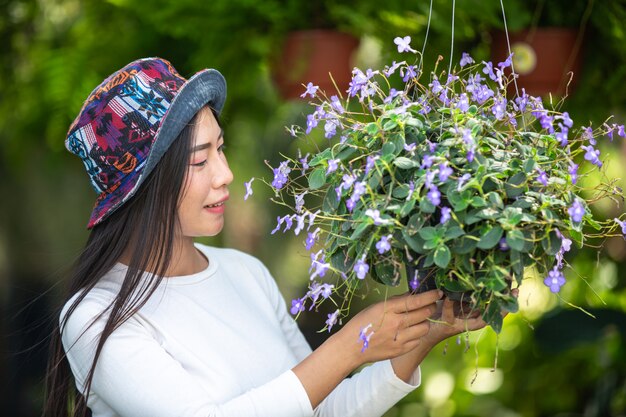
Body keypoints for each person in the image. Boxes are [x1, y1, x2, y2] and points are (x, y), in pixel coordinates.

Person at [42, 57, 487, 417]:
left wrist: (425, 332)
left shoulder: (246, 273)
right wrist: (348, 347)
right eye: (200, 162)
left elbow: (319, 409)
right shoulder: (96, 319)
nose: (226, 175)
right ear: (146, 185)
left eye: (221, 148)